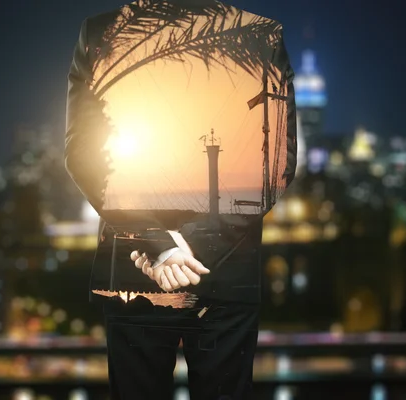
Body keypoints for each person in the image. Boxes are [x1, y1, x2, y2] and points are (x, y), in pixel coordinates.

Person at [64, 1, 297, 398]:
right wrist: (186, 244)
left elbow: (83, 156)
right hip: (224, 274)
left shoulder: (101, 32)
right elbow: (276, 166)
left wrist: (162, 243)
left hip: (135, 277)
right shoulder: (260, 34)